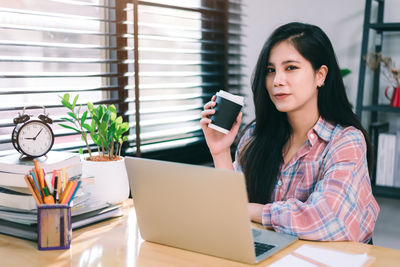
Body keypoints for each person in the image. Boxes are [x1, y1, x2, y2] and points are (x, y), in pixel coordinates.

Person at [200, 22, 379, 243]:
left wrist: (255, 211)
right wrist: (220, 151)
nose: (277, 81)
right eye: (270, 70)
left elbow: (329, 218)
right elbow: (231, 208)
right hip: (275, 254)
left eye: (291, 68)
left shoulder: (345, 141)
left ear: (320, 76)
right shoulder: (256, 135)